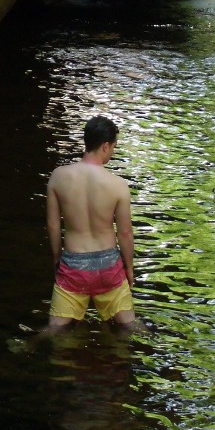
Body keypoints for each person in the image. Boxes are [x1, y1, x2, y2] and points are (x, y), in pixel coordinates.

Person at [45, 115, 139, 331]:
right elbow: (124, 233)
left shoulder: (58, 177)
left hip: (73, 265)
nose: (113, 152)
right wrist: (129, 268)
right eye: (114, 147)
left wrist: (57, 260)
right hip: (109, 266)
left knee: (55, 331)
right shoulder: (117, 185)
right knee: (130, 327)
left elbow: (53, 226)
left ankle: (30, 345)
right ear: (105, 146)